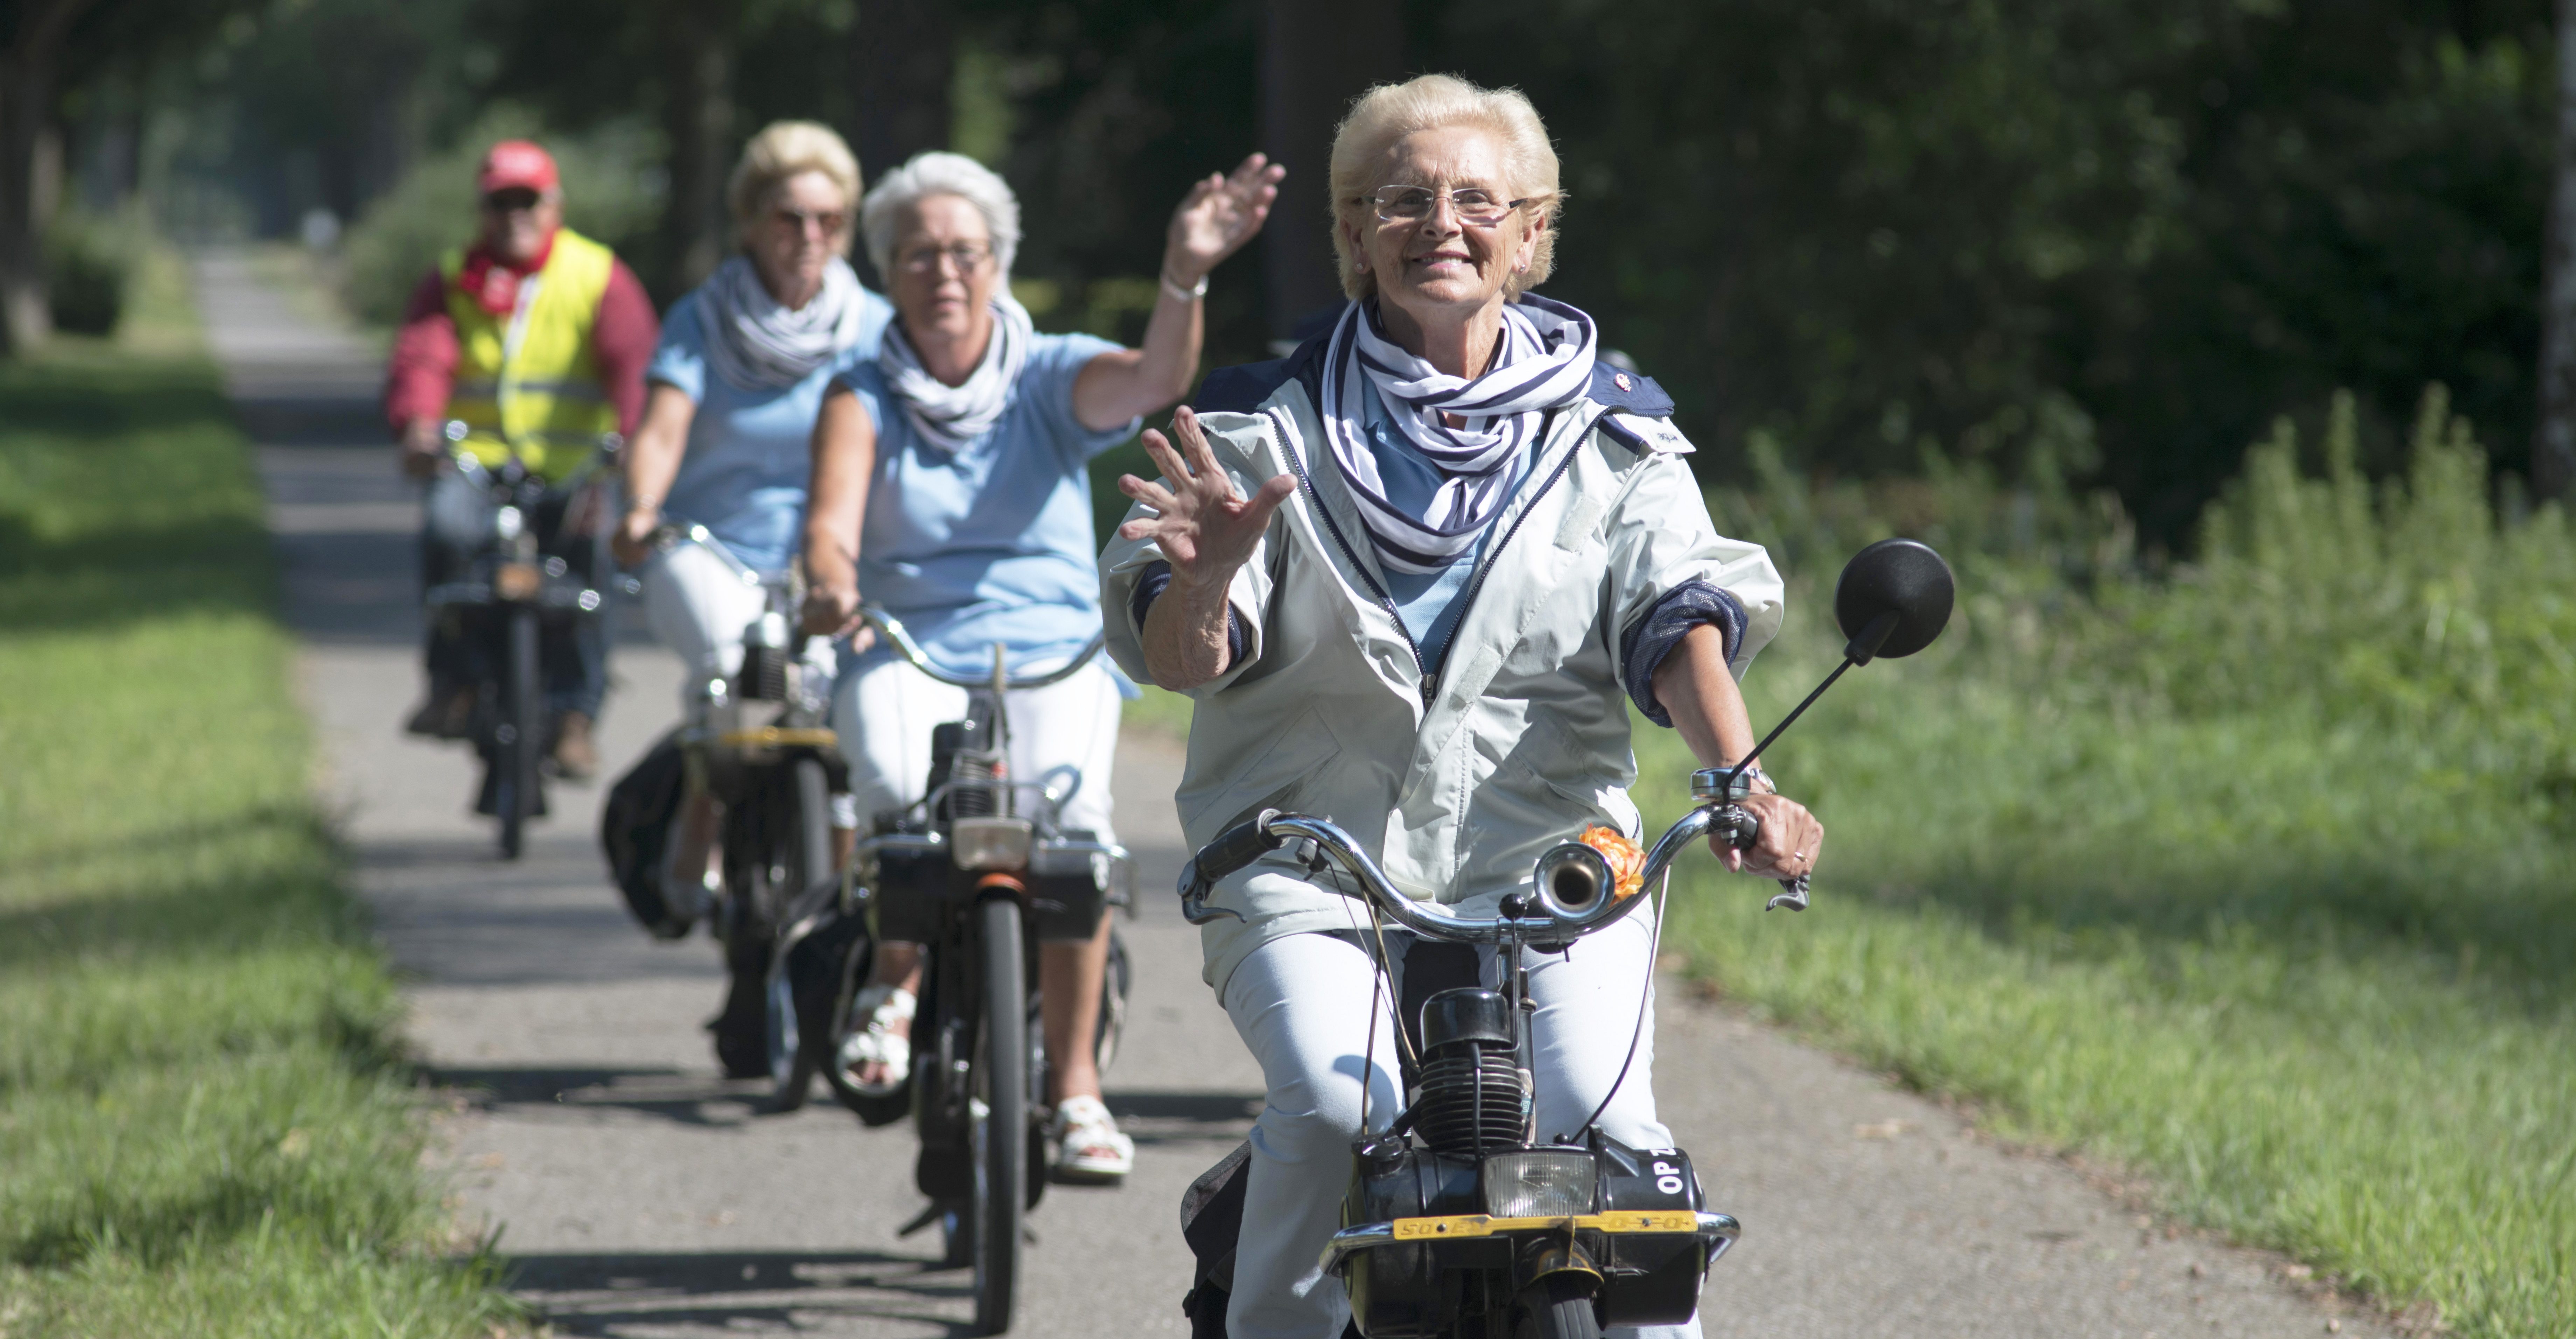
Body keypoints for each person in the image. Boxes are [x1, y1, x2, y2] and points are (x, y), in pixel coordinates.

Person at [1099, 75, 1821, 1338]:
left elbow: (1680, 618)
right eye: (1404, 200)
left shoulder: (1612, 435)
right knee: (1336, 1108)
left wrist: (1740, 781)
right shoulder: (1259, 429)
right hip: (1306, 857)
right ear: (1355, 236)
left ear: (1532, 235)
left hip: (1555, 867)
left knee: (1615, 1138)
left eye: (1479, 200)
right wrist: (1206, 579)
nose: (1443, 222)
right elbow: (1181, 656)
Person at [803, 148, 1284, 1183]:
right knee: (893, 797)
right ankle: (892, 983)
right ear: (888, 268)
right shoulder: (859, 389)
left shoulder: (1045, 370)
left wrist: (1186, 272)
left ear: (998, 264)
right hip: (908, 638)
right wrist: (830, 585)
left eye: (964, 251)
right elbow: (830, 527)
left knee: (1073, 842)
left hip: (1053, 642)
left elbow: (1156, 381)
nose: (943, 271)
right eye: (920, 252)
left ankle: (1075, 1089)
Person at [610, 121, 892, 935]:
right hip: (711, 548)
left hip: (830, 556)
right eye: (788, 219)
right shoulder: (704, 318)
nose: (808, 238)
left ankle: (845, 873)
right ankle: (701, 815)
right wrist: (639, 510)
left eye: (828, 221)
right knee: (731, 665)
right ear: (750, 223)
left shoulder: (873, 326)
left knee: (838, 701)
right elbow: (662, 430)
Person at [386, 139, 658, 780]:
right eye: (500, 203)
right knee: (445, 536)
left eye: (527, 201)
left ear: (554, 205)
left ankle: (575, 720)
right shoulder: (453, 278)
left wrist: (634, 439)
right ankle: (451, 685)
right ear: (481, 209)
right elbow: (422, 359)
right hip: (475, 464)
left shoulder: (596, 274)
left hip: (574, 467)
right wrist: (419, 429)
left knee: (592, 570)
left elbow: (635, 366)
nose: (515, 216)